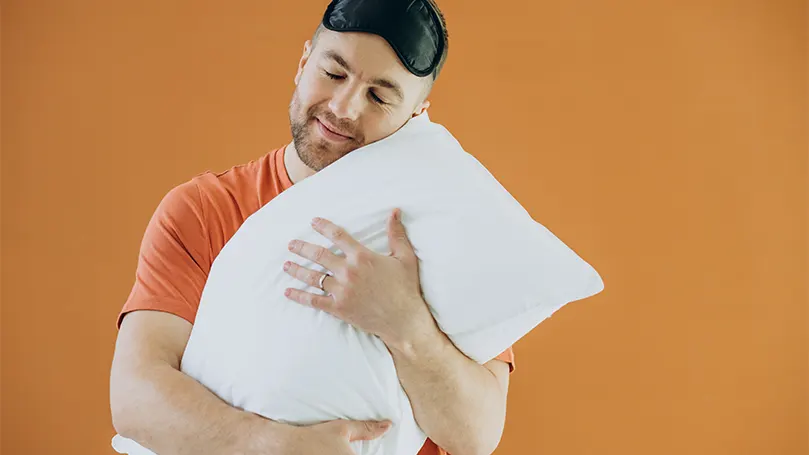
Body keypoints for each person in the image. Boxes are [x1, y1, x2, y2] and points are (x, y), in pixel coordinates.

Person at [110, 1, 515, 454]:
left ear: (417, 116)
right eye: (334, 74)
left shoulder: (444, 232)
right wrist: (271, 446)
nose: (343, 108)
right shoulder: (206, 210)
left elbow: (476, 435)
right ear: (304, 63)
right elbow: (135, 395)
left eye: (380, 96)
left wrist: (405, 324)